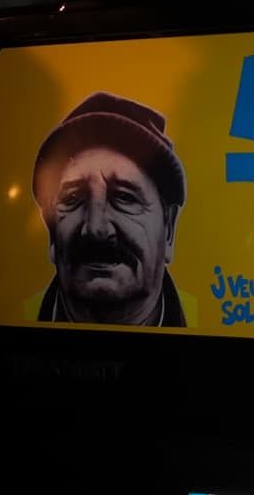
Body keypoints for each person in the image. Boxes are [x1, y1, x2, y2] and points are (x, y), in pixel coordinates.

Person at [31, 91, 187, 326]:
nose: (96, 229)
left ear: (168, 230)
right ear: (52, 231)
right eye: (73, 198)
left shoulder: (208, 320)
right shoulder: (10, 316)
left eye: (124, 197)